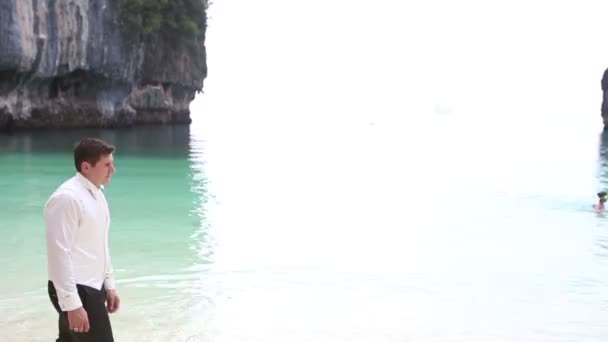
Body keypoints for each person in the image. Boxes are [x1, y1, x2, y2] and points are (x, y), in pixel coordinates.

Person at [45, 137, 120, 341]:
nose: (113, 170)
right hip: (76, 289)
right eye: (107, 165)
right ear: (86, 167)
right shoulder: (66, 199)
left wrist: (109, 285)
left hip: (92, 286)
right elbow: (58, 254)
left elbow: (100, 245)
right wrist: (73, 305)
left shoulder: (98, 195)